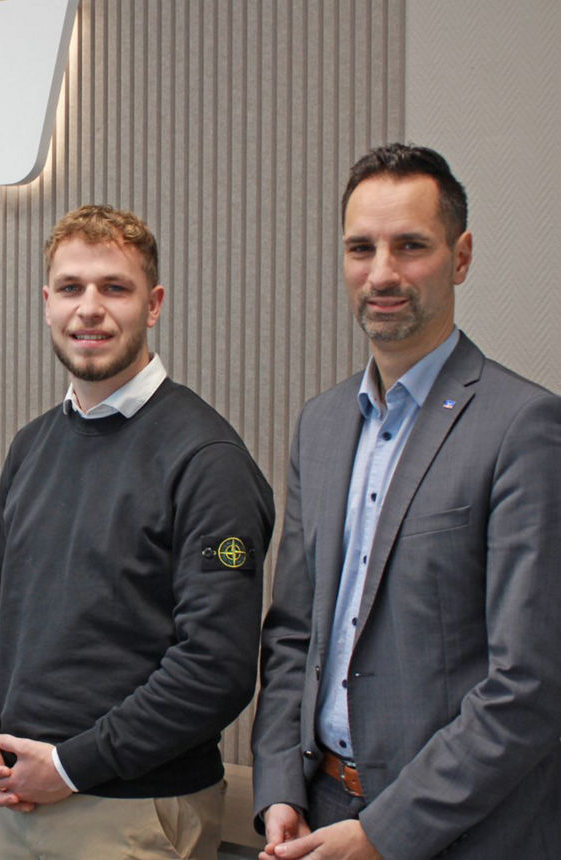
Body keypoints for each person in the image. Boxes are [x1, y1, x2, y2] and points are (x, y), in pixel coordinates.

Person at [251, 144, 561, 860]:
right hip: (321, 809)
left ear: (461, 256)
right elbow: (294, 632)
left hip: (465, 831)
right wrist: (277, 791)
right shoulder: (322, 425)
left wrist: (384, 833)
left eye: (410, 246)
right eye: (362, 248)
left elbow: (530, 684)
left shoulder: (525, 428)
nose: (382, 272)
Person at [0, 204, 275, 860]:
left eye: (115, 288)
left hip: (132, 812)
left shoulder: (206, 460)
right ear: (47, 304)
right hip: (17, 800)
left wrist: (72, 766)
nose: (90, 308)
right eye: (71, 288)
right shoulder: (31, 446)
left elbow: (215, 669)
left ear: (153, 304)